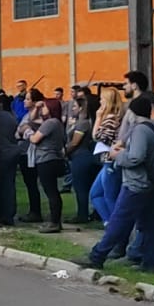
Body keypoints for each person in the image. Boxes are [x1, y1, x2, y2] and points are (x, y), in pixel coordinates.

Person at [76, 96, 154, 274]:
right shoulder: (153, 128)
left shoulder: (140, 130)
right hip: (150, 182)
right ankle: (150, 263)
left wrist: (116, 155)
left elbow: (136, 157)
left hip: (136, 184)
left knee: (119, 221)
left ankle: (97, 256)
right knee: (149, 224)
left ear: (133, 113)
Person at [28, 97, 66, 233]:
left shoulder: (50, 123)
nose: (42, 109)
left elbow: (35, 139)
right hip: (54, 158)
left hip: (46, 159)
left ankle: (54, 222)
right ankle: (55, 220)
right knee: (53, 191)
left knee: (51, 192)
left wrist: (27, 133)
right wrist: (36, 108)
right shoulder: (57, 123)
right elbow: (32, 120)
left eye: (44, 106)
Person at [89, 86, 125, 224]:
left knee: (110, 196)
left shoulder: (110, 119)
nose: (100, 102)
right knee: (96, 194)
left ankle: (116, 226)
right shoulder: (116, 117)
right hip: (107, 160)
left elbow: (98, 136)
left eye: (102, 99)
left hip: (110, 161)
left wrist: (98, 118)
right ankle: (109, 223)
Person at [66, 87, 99, 224]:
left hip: (80, 156)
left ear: (80, 108)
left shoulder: (82, 123)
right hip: (84, 156)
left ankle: (82, 214)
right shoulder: (85, 122)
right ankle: (93, 212)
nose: (72, 109)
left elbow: (75, 142)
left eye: (74, 106)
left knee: (80, 187)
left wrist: (65, 151)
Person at [0, 94, 21, 225]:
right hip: (12, 152)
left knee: (1, 185)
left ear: (1, 104)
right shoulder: (12, 116)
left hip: (2, 154)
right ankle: (9, 213)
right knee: (9, 184)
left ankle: (3, 214)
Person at [17, 88, 45, 222]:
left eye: (28, 99)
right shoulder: (26, 114)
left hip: (31, 153)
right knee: (29, 184)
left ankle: (35, 212)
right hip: (23, 151)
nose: (24, 101)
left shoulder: (37, 116)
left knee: (32, 183)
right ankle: (33, 210)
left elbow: (25, 128)